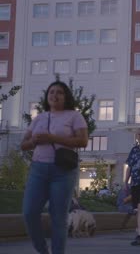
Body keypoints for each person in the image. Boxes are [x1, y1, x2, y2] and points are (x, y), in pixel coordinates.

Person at [21, 80, 89, 254]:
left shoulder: (74, 116)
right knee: (29, 212)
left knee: (58, 218)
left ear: (65, 96)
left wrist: (53, 138)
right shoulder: (39, 118)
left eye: (59, 92)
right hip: (38, 169)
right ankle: (42, 250)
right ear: (47, 96)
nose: (54, 95)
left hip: (63, 171)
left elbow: (82, 141)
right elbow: (23, 144)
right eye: (51, 92)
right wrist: (34, 141)